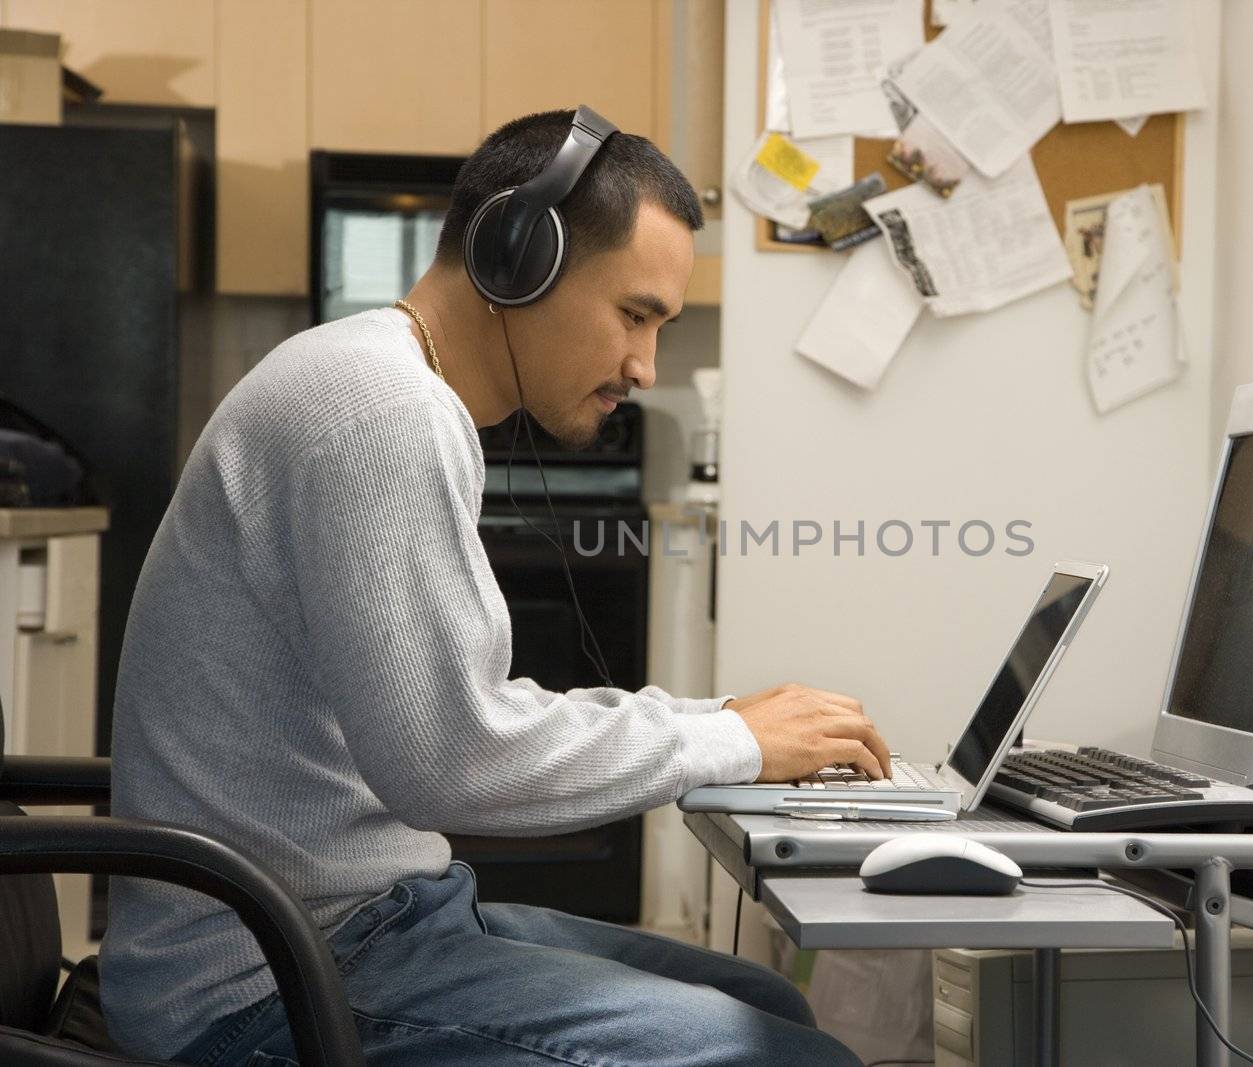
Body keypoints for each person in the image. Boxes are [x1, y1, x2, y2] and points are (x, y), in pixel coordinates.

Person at [99, 108, 889, 1067]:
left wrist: (718, 716)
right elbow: (450, 760)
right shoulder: (382, 412)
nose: (645, 366)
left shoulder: (381, 385)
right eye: (635, 315)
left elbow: (465, 715)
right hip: (265, 981)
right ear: (519, 256)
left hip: (364, 922)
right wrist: (728, 743)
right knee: (790, 1058)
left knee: (762, 998)